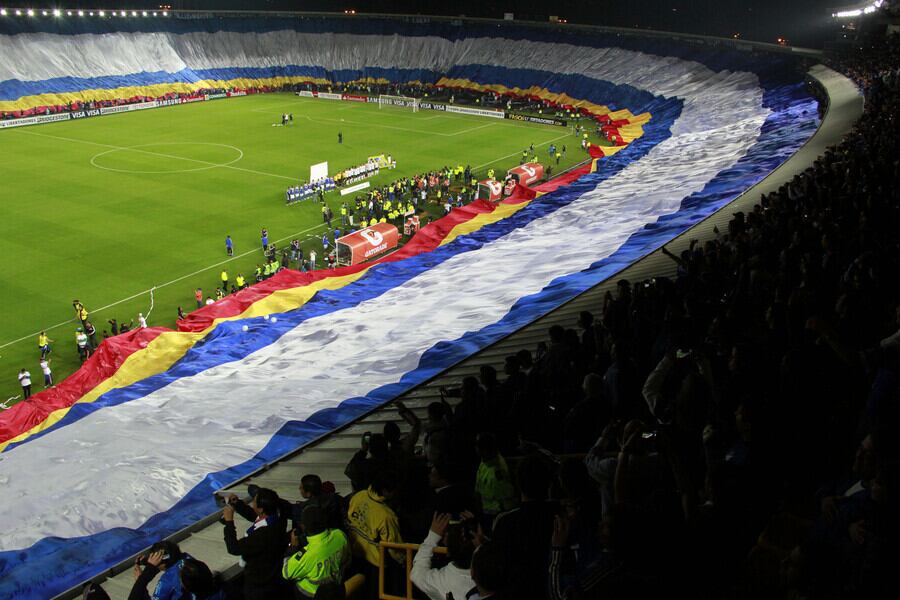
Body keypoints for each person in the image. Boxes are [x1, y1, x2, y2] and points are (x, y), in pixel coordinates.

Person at [223, 488, 290, 599]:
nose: (252, 503)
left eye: (254, 501)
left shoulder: (262, 534)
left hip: (261, 583)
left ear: (261, 509)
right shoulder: (277, 518)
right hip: (273, 574)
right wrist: (237, 504)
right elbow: (254, 515)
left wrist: (229, 522)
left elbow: (233, 548)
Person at [282, 506, 351, 598]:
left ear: (303, 526)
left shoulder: (307, 554)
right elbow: (347, 559)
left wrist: (293, 547)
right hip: (334, 590)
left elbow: (286, 573)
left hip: (309, 594)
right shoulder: (339, 535)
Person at [410, 513, 477, 600]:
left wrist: (432, 536)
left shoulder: (440, 580)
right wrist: (477, 532)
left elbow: (417, 574)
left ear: (448, 550)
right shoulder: (489, 575)